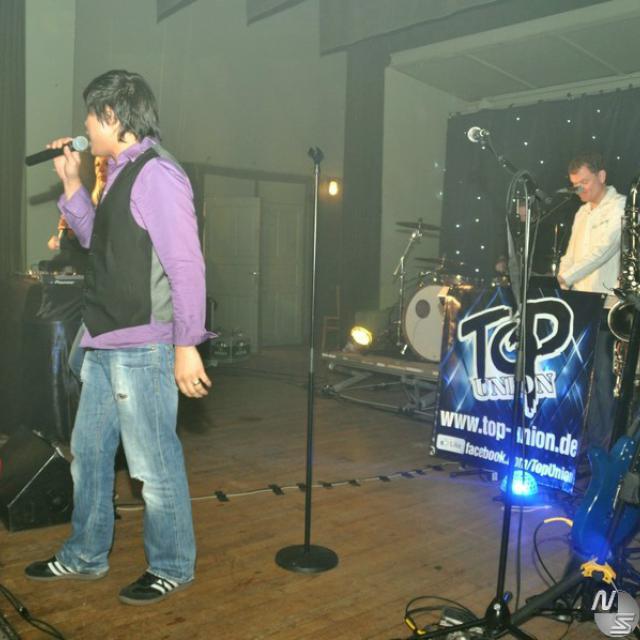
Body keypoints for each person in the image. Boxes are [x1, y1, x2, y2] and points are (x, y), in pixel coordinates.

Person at [25, 69, 212, 606]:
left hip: (144, 345)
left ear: (110, 116)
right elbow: (97, 243)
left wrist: (186, 344)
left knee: (152, 464)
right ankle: (86, 554)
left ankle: (172, 565)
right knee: (87, 455)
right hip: (105, 340)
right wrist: (71, 182)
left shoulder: (158, 174)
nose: (83, 125)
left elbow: (185, 264)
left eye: (90, 115)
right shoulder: (120, 172)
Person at [558, 151, 625, 452]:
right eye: (575, 184)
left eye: (584, 182)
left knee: (603, 380)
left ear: (602, 176)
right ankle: (585, 440)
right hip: (579, 306)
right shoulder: (581, 213)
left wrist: (566, 276)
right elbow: (570, 254)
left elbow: (603, 251)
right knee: (581, 378)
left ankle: (605, 447)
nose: (579, 189)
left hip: (607, 307)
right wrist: (561, 280)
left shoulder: (621, 207)